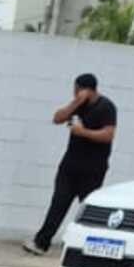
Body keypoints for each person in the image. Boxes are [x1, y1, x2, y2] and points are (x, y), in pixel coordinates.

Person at [23, 73, 118, 255]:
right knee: (58, 202)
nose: (74, 93)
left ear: (87, 90)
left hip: (93, 169)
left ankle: (93, 248)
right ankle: (41, 243)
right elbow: (57, 118)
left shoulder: (106, 107)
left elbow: (108, 135)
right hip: (70, 165)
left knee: (89, 209)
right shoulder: (78, 106)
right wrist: (75, 104)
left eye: (76, 90)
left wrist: (83, 132)